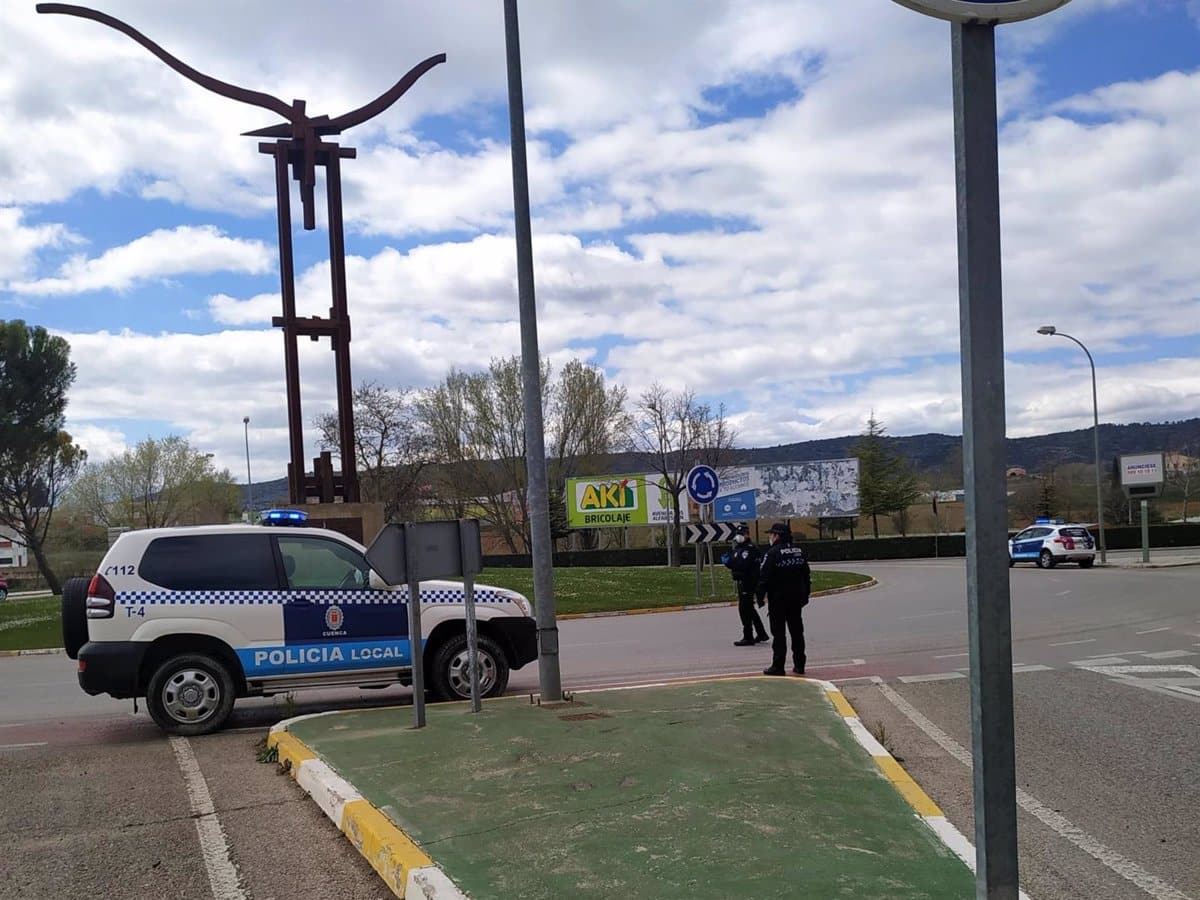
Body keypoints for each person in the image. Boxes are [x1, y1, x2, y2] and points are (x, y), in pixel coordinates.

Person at [755, 522, 811, 676]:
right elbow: (806, 575)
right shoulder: (799, 552)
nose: (770, 537)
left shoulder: (773, 553)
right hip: (796, 598)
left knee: (779, 634)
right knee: (797, 632)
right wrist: (806, 594)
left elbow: (764, 577)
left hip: (778, 599)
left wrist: (759, 597)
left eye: (771, 534)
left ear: (777, 536)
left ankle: (778, 665)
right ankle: (800, 664)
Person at [723, 524, 768, 646]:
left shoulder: (750, 549)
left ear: (747, 535)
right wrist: (729, 561)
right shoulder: (739, 548)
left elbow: (741, 563)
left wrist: (730, 562)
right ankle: (761, 633)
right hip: (742, 581)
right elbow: (734, 560)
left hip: (749, 581)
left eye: (742, 534)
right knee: (749, 608)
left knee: (744, 609)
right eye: (738, 534)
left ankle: (748, 636)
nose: (739, 537)